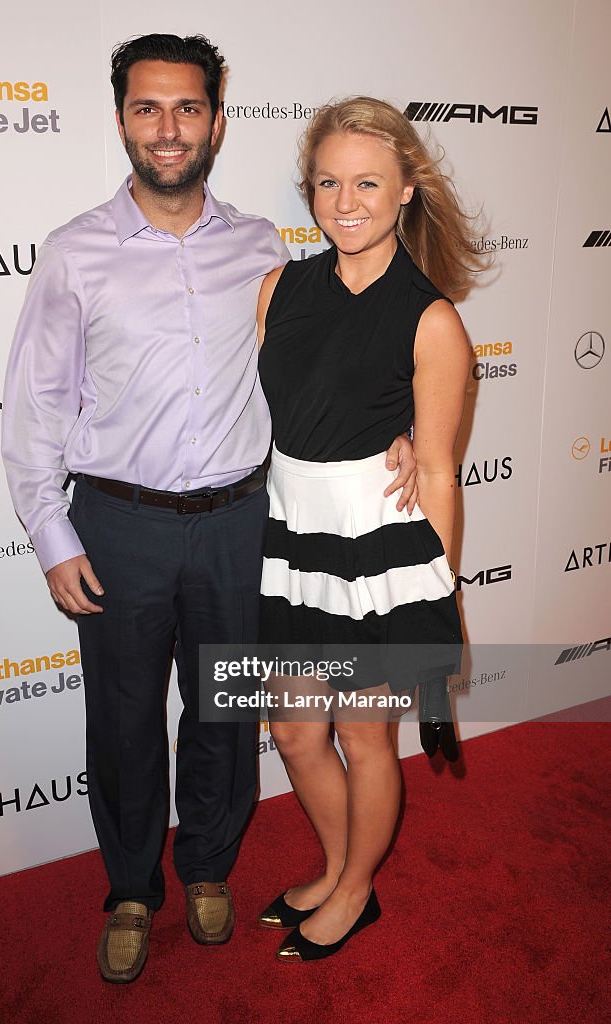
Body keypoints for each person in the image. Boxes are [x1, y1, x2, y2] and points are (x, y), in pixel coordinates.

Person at [1, 37, 418, 985]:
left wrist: (400, 428)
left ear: (218, 120)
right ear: (121, 121)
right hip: (118, 524)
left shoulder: (267, 247)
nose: (168, 129)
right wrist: (50, 532)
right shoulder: (74, 254)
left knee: (225, 716)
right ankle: (131, 889)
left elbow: (335, 362)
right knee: (122, 719)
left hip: (241, 523)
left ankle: (208, 869)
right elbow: (36, 410)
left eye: (187, 108)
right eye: (147, 109)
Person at [255, 97, 482, 962]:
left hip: (381, 556)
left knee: (362, 735)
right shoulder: (279, 288)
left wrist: (441, 599)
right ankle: (337, 863)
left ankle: (356, 891)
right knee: (292, 731)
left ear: (406, 191)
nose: (345, 202)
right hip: (292, 542)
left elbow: (436, 470)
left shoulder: (433, 319)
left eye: (367, 183)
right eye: (327, 183)